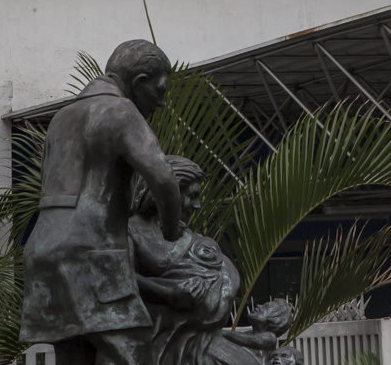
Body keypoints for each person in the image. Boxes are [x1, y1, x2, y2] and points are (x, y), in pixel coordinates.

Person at [20, 40, 184, 365]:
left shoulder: (61, 118)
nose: (161, 103)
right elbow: (164, 179)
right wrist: (170, 231)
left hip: (43, 256)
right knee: (135, 351)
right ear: (138, 83)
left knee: (73, 355)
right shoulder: (121, 110)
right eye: (158, 91)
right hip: (93, 254)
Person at [128, 156, 293, 365]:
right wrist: (168, 293)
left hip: (207, 340)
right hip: (164, 342)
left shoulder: (188, 235)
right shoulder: (130, 231)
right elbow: (120, 279)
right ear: (167, 193)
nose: (197, 206)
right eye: (192, 196)